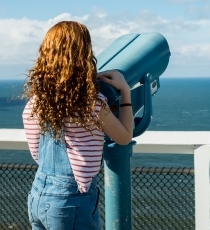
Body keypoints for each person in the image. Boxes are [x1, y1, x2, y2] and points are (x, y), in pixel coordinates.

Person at [22, 21, 133, 230]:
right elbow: (125, 136)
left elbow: (37, 152)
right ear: (83, 55)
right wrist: (125, 91)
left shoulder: (36, 102)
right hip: (70, 202)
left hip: (38, 194)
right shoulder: (92, 104)